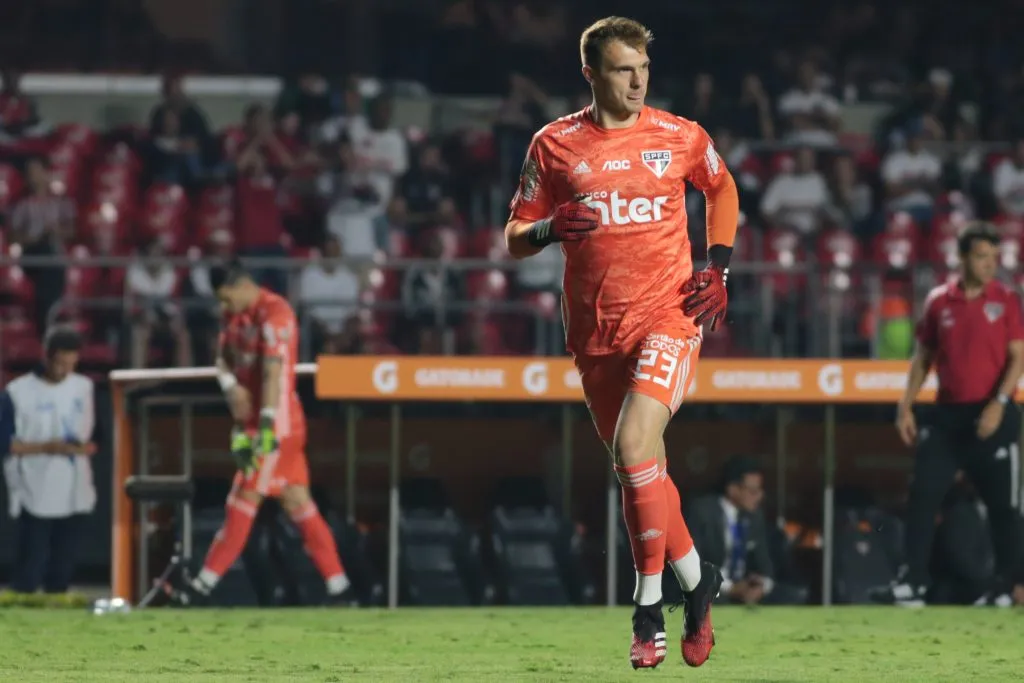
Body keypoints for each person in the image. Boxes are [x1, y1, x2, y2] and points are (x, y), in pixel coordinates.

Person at [505, 16, 739, 669]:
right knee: (641, 470)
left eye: (642, 69)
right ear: (591, 73)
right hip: (594, 332)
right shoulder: (554, 146)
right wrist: (550, 227)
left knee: (638, 446)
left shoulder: (678, 135)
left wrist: (719, 267)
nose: (637, 82)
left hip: (668, 315)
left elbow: (722, 188)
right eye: (622, 70)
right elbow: (513, 236)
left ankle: (646, 605)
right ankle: (699, 583)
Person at [168, 259, 352, 606]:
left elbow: (273, 374)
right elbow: (221, 358)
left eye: (226, 298)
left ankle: (199, 589)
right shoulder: (235, 316)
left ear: (242, 285)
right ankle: (341, 588)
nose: (223, 307)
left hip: (277, 424)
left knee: (242, 497)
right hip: (252, 421)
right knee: (298, 502)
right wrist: (230, 387)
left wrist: (265, 426)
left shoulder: (276, 314)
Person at [889, 221, 1024, 606]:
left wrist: (998, 405)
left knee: (1004, 507)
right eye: (982, 256)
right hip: (948, 417)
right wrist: (906, 406)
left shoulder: (1007, 300)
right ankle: (913, 582)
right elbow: (924, 358)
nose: (990, 265)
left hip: (993, 415)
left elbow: (1018, 357)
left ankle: (1007, 585)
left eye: (994, 258)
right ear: (962, 257)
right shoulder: (938, 301)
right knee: (922, 496)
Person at [0, 327, 96, 595]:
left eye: (70, 363)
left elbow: (94, 437)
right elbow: (6, 444)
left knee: (62, 567)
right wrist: (48, 447)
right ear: (47, 356)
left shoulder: (83, 388)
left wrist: (83, 447)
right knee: (30, 565)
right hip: (34, 486)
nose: (64, 369)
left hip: (74, 486)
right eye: (59, 363)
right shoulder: (17, 392)